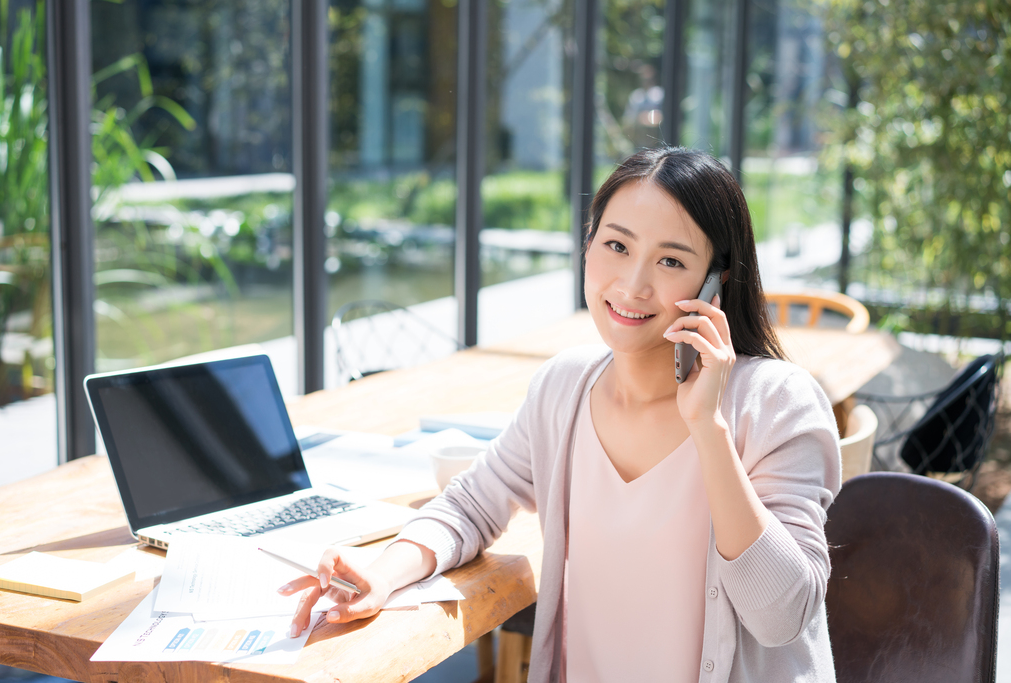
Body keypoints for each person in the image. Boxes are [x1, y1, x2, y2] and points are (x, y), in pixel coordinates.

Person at [279, 147, 841, 683]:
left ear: (714, 283)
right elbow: (473, 503)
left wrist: (709, 430)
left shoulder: (775, 404)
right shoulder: (563, 387)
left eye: (671, 260)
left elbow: (780, 617)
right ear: (587, 245)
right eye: (617, 246)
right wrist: (383, 572)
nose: (632, 284)